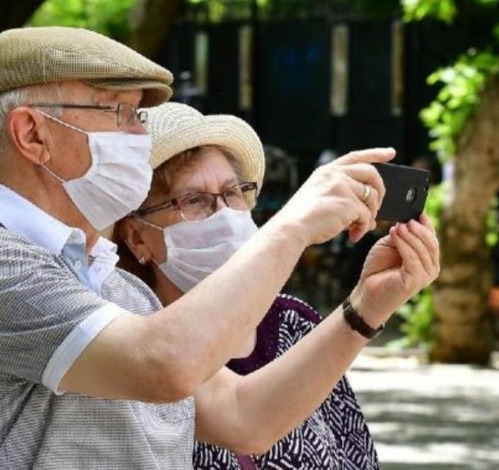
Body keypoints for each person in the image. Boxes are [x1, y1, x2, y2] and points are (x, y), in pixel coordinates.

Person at [0, 26, 439, 469]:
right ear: (33, 135)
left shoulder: (114, 286)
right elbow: (162, 364)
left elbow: (242, 416)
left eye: (138, 114)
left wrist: (365, 308)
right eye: (118, 113)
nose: (139, 135)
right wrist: (293, 225)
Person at [113, 103, 380, 469]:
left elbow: (357, 457)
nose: (223, 215)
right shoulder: (128, 338)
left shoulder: (293, 323)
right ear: (136, 237)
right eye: (194, 200)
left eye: (233, 192)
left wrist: (376, 297)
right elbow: (242, 418)